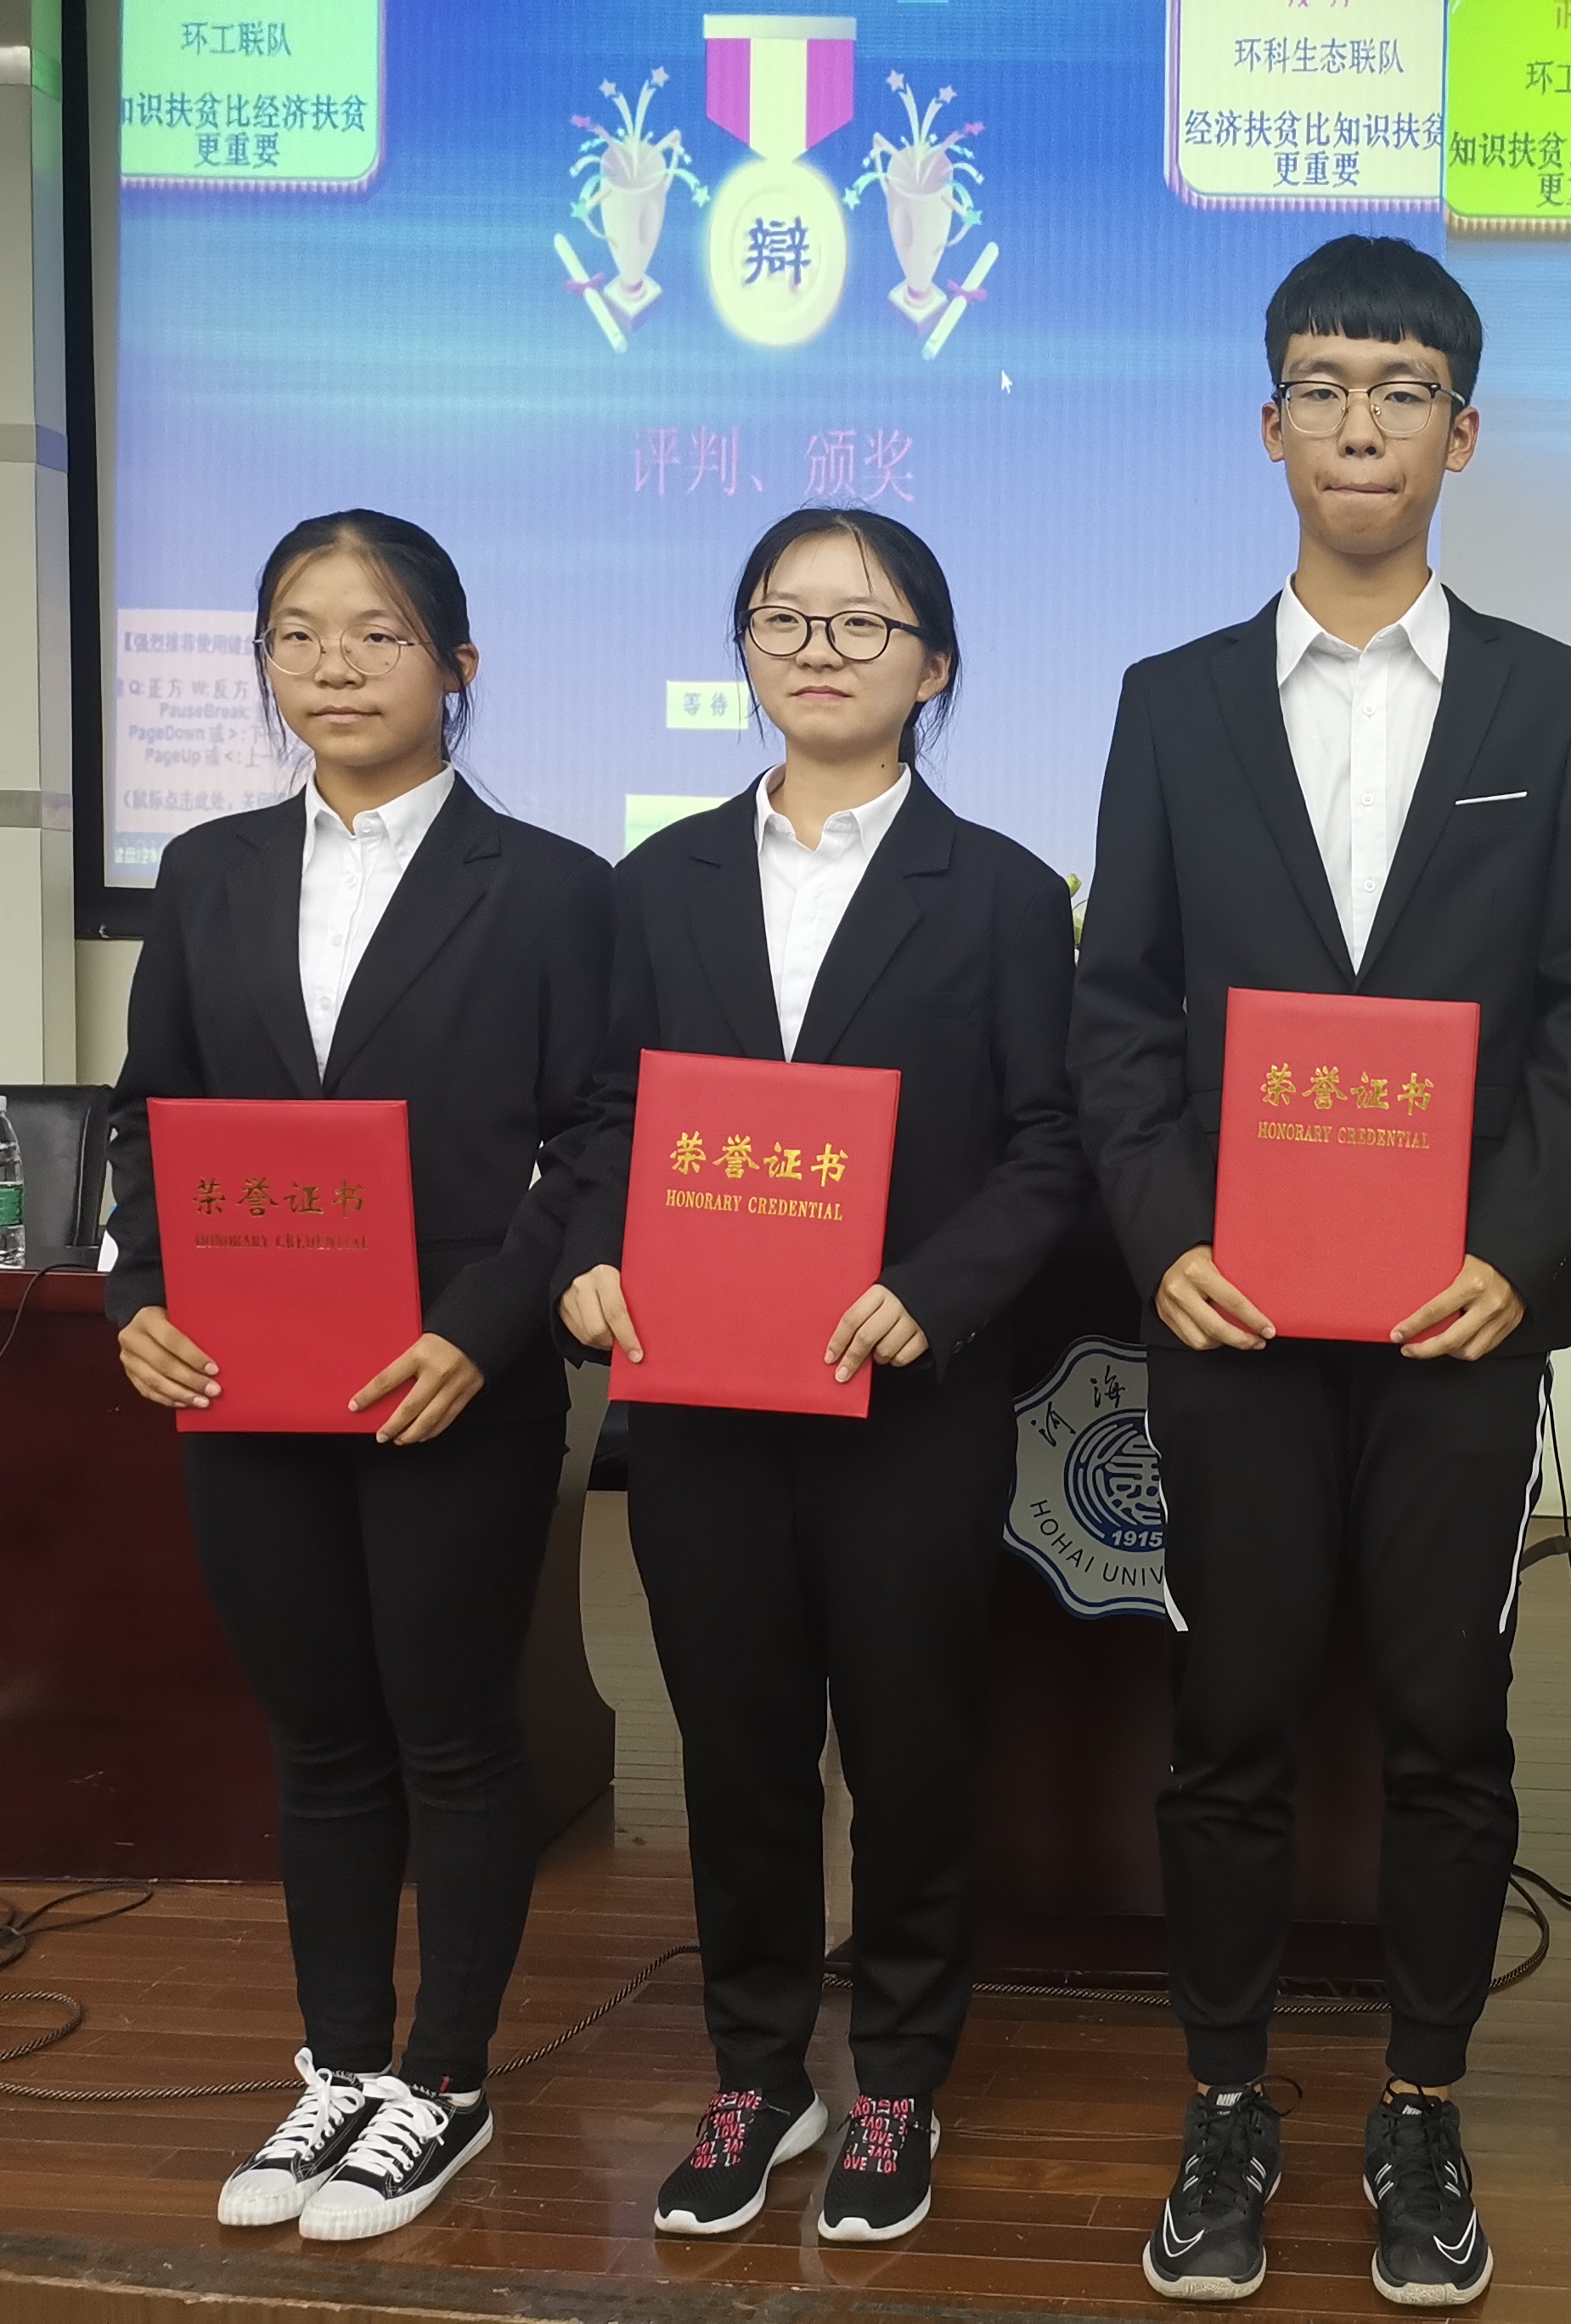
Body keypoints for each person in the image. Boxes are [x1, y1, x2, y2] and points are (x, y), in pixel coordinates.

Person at [1068, 234, 1571, 2307]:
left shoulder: (1553, 701)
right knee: (1227, 1717)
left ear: (1462, 435)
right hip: (1233, 1313)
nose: (1361, 423)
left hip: (1456, 1321)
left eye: (1402, 390)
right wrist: (1165, 1235)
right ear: (1270, 425)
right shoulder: (1173, 704)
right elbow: (1119, 1008)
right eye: (1323, 385)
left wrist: (1516, 1246)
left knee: (1446, 1723)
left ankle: (1423, 2105)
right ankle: (1228, 2104)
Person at [553, 508, 1086, 2245]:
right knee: (739, 1747)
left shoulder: (1003, 893)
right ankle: (759, 2067)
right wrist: (590, 1257)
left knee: (912, 1748)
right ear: (746, 653)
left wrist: (936, 1292)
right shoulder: (657, 886)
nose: (820, 650)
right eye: (784, 618)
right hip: (702, 1401)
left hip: (908, 1405)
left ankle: (902, 2074)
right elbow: (608, 1120)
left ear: (935, 666)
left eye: (865, 623)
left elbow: (1048, 1145)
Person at [106, 511, 611, 2241]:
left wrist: (482, 1330)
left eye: (378, 633)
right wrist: (138, 1294)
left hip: (449, 1381)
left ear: (457, 667)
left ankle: (442, 2084)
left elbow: (596, 1135)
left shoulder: (549, 885)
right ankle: (335, 2067)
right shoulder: (209, 872)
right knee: (318, 1738)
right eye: (297, 633)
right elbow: (151, 1114)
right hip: (247, 1378)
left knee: (451, 1733)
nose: (333, 665)